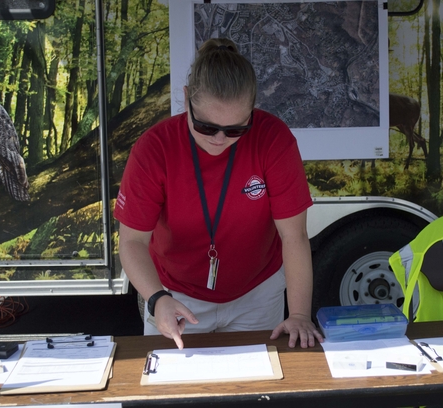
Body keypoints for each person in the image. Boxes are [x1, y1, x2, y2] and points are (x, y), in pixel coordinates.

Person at [114, 37, 323, 350]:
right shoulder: (155, 148)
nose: (220, 139)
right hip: (176, 294)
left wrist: (299, 314)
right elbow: (132, 242)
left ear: (252, 112)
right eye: (207, 127)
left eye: (237, 129)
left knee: (256, 391)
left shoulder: (273, 139)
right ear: (186, 101)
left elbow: (293, 236)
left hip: (257, 294)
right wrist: (157, 299)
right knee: (174, 391)